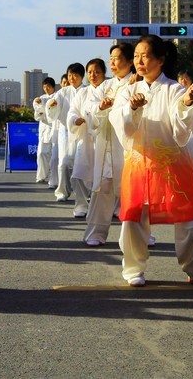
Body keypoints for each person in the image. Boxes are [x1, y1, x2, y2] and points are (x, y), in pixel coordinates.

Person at [111, 35, 193, 287]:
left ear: (161, 59)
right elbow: (120, 123)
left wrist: (187, 102)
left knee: (192, 221)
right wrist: (132, 109)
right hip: (139, 166)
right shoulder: (128, 91)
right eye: (136, 56)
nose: (139, 61)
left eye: (145, 56)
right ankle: (133, 268)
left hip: (173, 166)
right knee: (133, 219)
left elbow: (181, 129)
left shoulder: (174, 89)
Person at [82, 44, 136, 246]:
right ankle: (96, 233)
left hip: (128, 146)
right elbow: (90, 107)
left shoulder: (138, 83)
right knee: (103, 189)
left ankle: (140, 235)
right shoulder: (106, 86)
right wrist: (100, 106)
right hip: (107, 145)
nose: (112, 62)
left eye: (117, 58)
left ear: (130, 61)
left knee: (133, 191)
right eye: (110, 58)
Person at [64, 58, 105, 219]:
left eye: (97, 72)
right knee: (80, 172)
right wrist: (75, 120)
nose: (93, 75)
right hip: (85, 138)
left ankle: (109, 207)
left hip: (104, 139)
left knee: (106, 176)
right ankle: (81, 205)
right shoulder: (83, 93)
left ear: (103, 73)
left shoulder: (109, 90)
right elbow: (72, 111)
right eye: (90, 72)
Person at [47, 63, 85, 203]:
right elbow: (52, 106)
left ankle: (84, 192)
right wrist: (51, 105)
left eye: (75, 75)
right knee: (63, 162)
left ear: (82, 76)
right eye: (70, 75)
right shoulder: (63, 92)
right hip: (66, 130)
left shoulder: (87, 91)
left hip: (82, 130)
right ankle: (62, 191)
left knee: (83, 162)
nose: (72, 78)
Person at [32, 78, 58, 187]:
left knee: (55, 157)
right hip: (44, 130)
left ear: (53, 87)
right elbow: (37, 115)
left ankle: (54, 179)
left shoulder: (57, 97)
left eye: (48, 86)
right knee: (41, 153)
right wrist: (38, 105)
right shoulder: (41, 98)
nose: (46, 89)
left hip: (55, 129)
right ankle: (41, 176)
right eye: (44, 87)